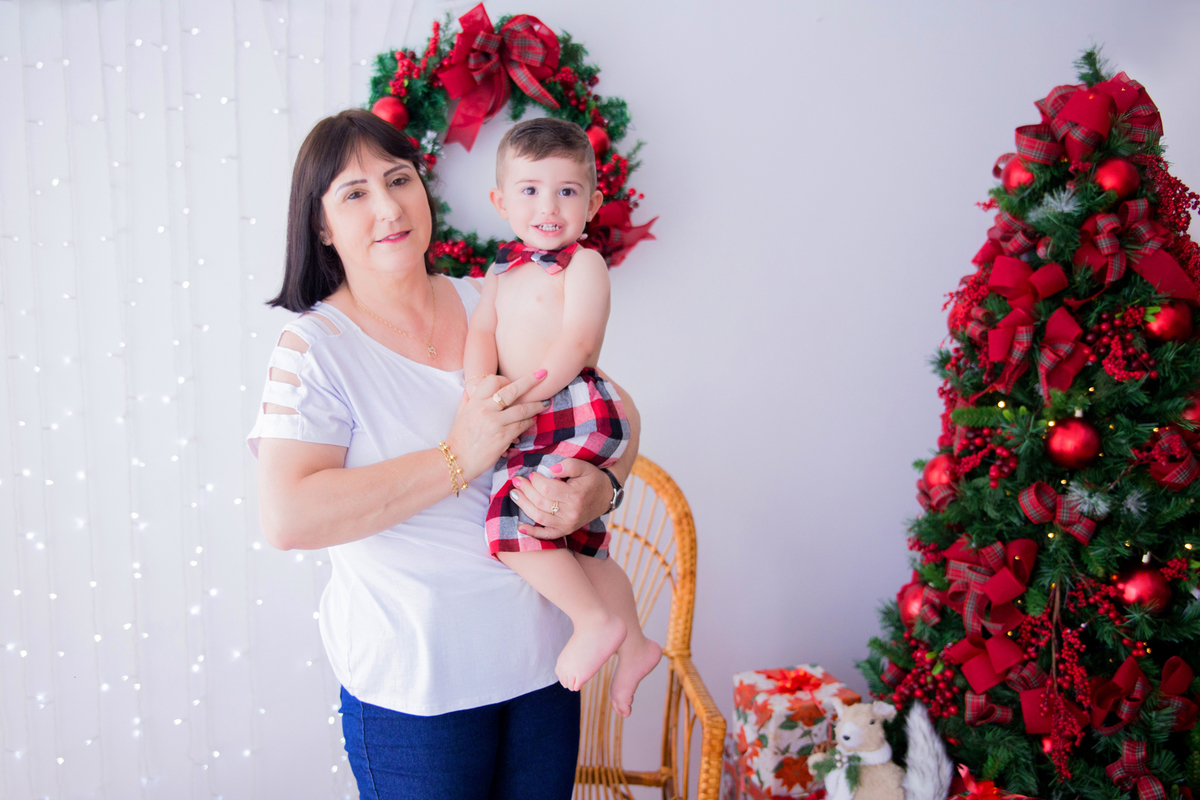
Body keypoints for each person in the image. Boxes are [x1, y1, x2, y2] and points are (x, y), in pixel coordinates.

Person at [247, 108, 640, 799]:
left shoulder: (487, 296)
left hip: (543, 663)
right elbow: (289, 517)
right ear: (320, 225)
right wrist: (459, 455)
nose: (389, 206)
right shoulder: (315, 350)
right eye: (355, 193)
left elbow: (614, 406)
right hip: (418, 690)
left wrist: (601, 487)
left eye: (399, 179)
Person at [463, 118, 661, 718]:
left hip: (571, 405)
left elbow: (578, 342)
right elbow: (481, 331)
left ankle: (594, 622)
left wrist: (527, 392)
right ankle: (635, 643)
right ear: (500, 201)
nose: (548, 206)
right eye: (529, 190)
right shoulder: (499, 275)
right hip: (537, 413)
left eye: (567, 191)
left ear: (594, 201)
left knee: (510, 523)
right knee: (575, 541)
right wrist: (480, 387)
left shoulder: (585, 265)